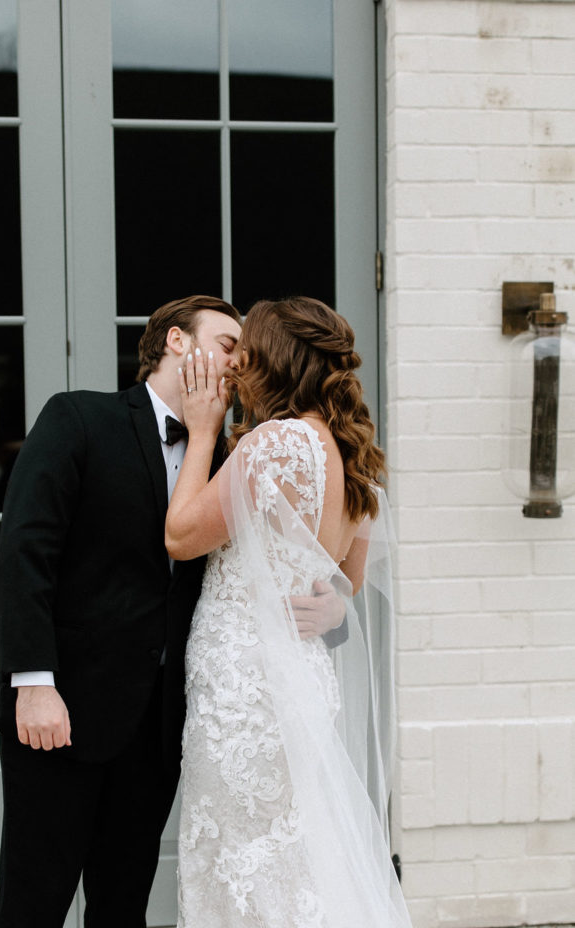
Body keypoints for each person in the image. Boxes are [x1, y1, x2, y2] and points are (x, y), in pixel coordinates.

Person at [0, 294, 346, 928]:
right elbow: (25, 551)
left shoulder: (244, 452)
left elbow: (288, 565)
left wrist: (332, 609)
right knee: (32, 903)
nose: (241, 364)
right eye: (229, 346)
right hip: (64, 710)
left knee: (123, 908)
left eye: (249, 353)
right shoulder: (79, 418)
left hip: (164, 727)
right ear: (178, 342)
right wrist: (33, 682)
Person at [166, 296, 413, 927]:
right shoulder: (351, 455)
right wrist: (331, 612)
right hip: (298, 677)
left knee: (243, 860)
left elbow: (182, 536)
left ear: (271, 360)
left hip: (246, 694)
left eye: (245, 351)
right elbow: (345, 587)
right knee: (296, 853)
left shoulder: (278, 442)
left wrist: (201, 433)